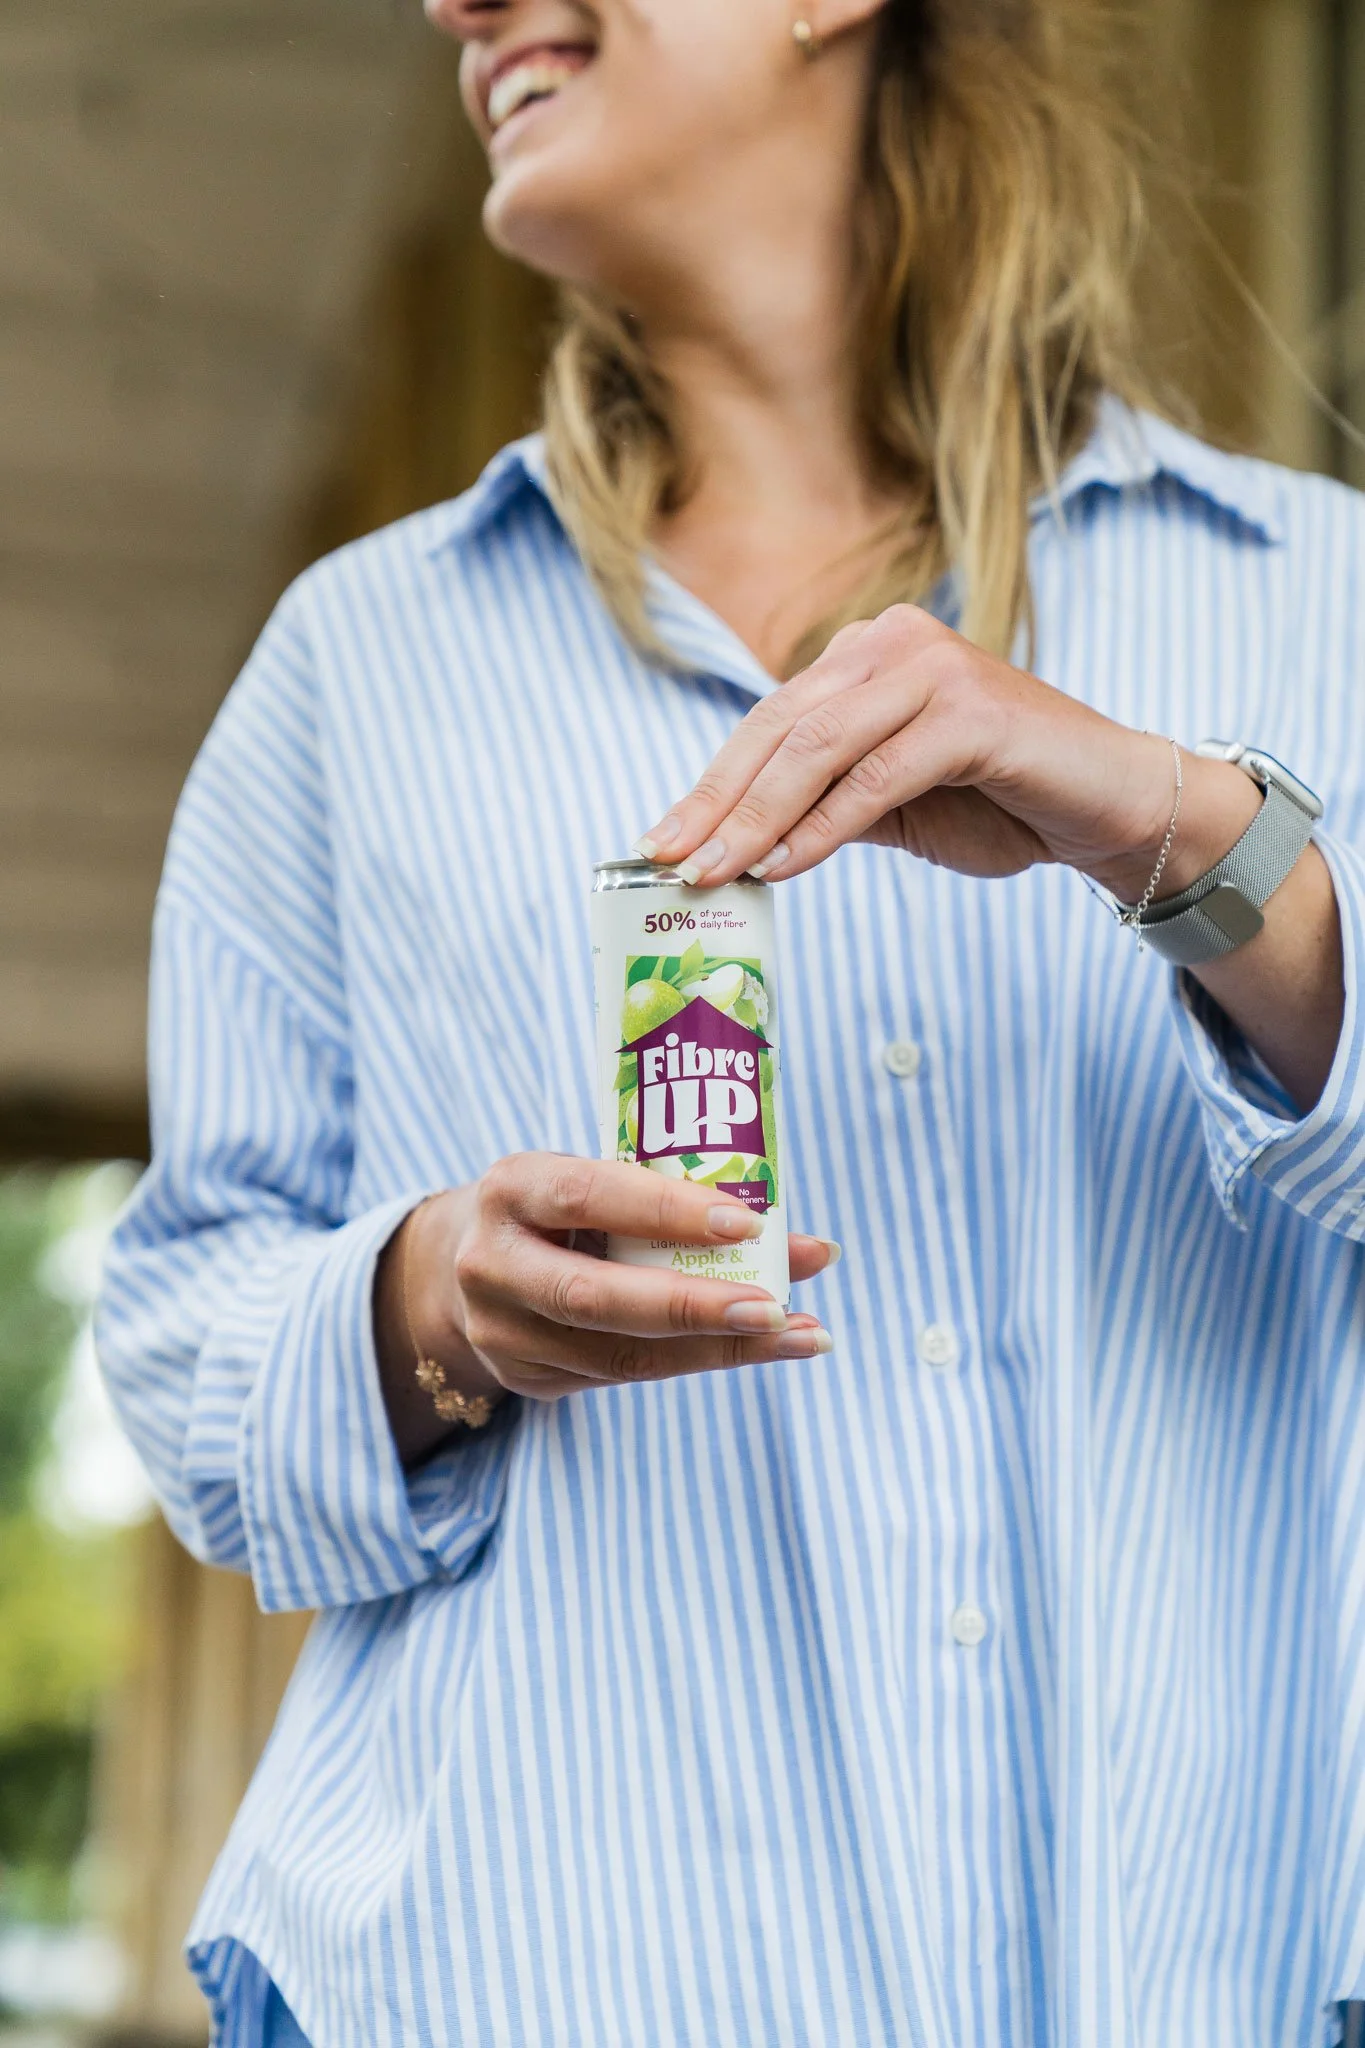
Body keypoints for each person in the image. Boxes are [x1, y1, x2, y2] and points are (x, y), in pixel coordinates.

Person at [95, 0, 1365, 2042]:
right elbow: (180, 1328)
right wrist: (428, 1299)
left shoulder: (1318, 603)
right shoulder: (361, 668)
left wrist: (1189, 834)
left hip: (1201, 1964)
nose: (455, 2)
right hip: (529, 1972)